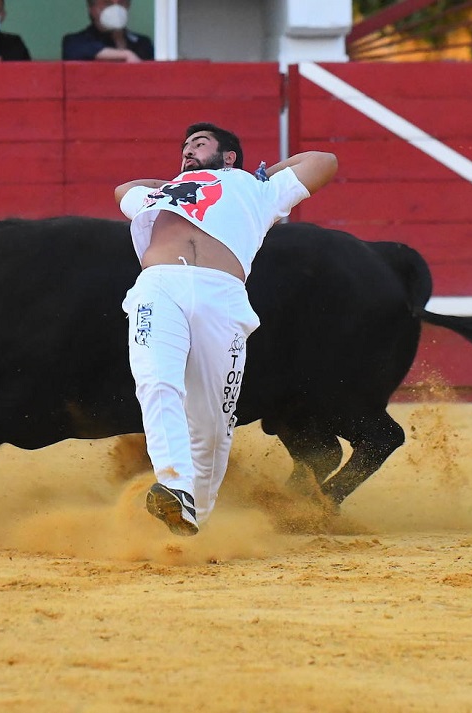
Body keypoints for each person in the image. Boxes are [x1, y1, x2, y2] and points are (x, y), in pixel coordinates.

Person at [114, 123, 338, 536]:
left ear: (230, 155)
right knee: (156, 382)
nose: (187, 150)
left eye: (199, 144)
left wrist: (259, 176)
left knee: (214, 421)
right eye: (183, 146)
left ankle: (193, 511)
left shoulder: (257, 189)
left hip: (223, 296)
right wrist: (184, 180)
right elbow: (123, 188)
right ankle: (174, 484)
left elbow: (324, 161)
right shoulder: (164, 192)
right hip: (158, 286)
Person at [62, 0, 154, 62]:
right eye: (107, 3)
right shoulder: (75, 42)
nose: (116, 9)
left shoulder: (142, 43)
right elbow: (81, 49)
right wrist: (126, 54)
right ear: (91, 9)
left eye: (121, 3)